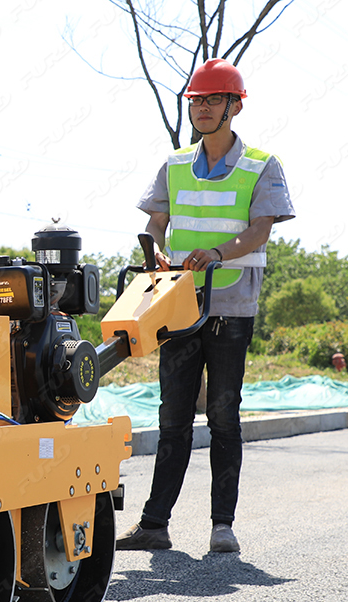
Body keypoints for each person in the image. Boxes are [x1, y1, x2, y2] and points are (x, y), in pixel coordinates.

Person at [116, 58, 295, 553]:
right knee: (173, 414)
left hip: (232, 304)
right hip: (179, 303)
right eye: (196, 100)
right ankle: (155, 525)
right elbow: (156, 223)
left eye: (214, 99)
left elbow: (261, 228)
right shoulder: (173, 164)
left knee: (222, 414)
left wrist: (216, 254)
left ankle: (222, 526)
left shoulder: (262, 164)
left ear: (235, 107)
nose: (202, 107)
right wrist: (154, 249)